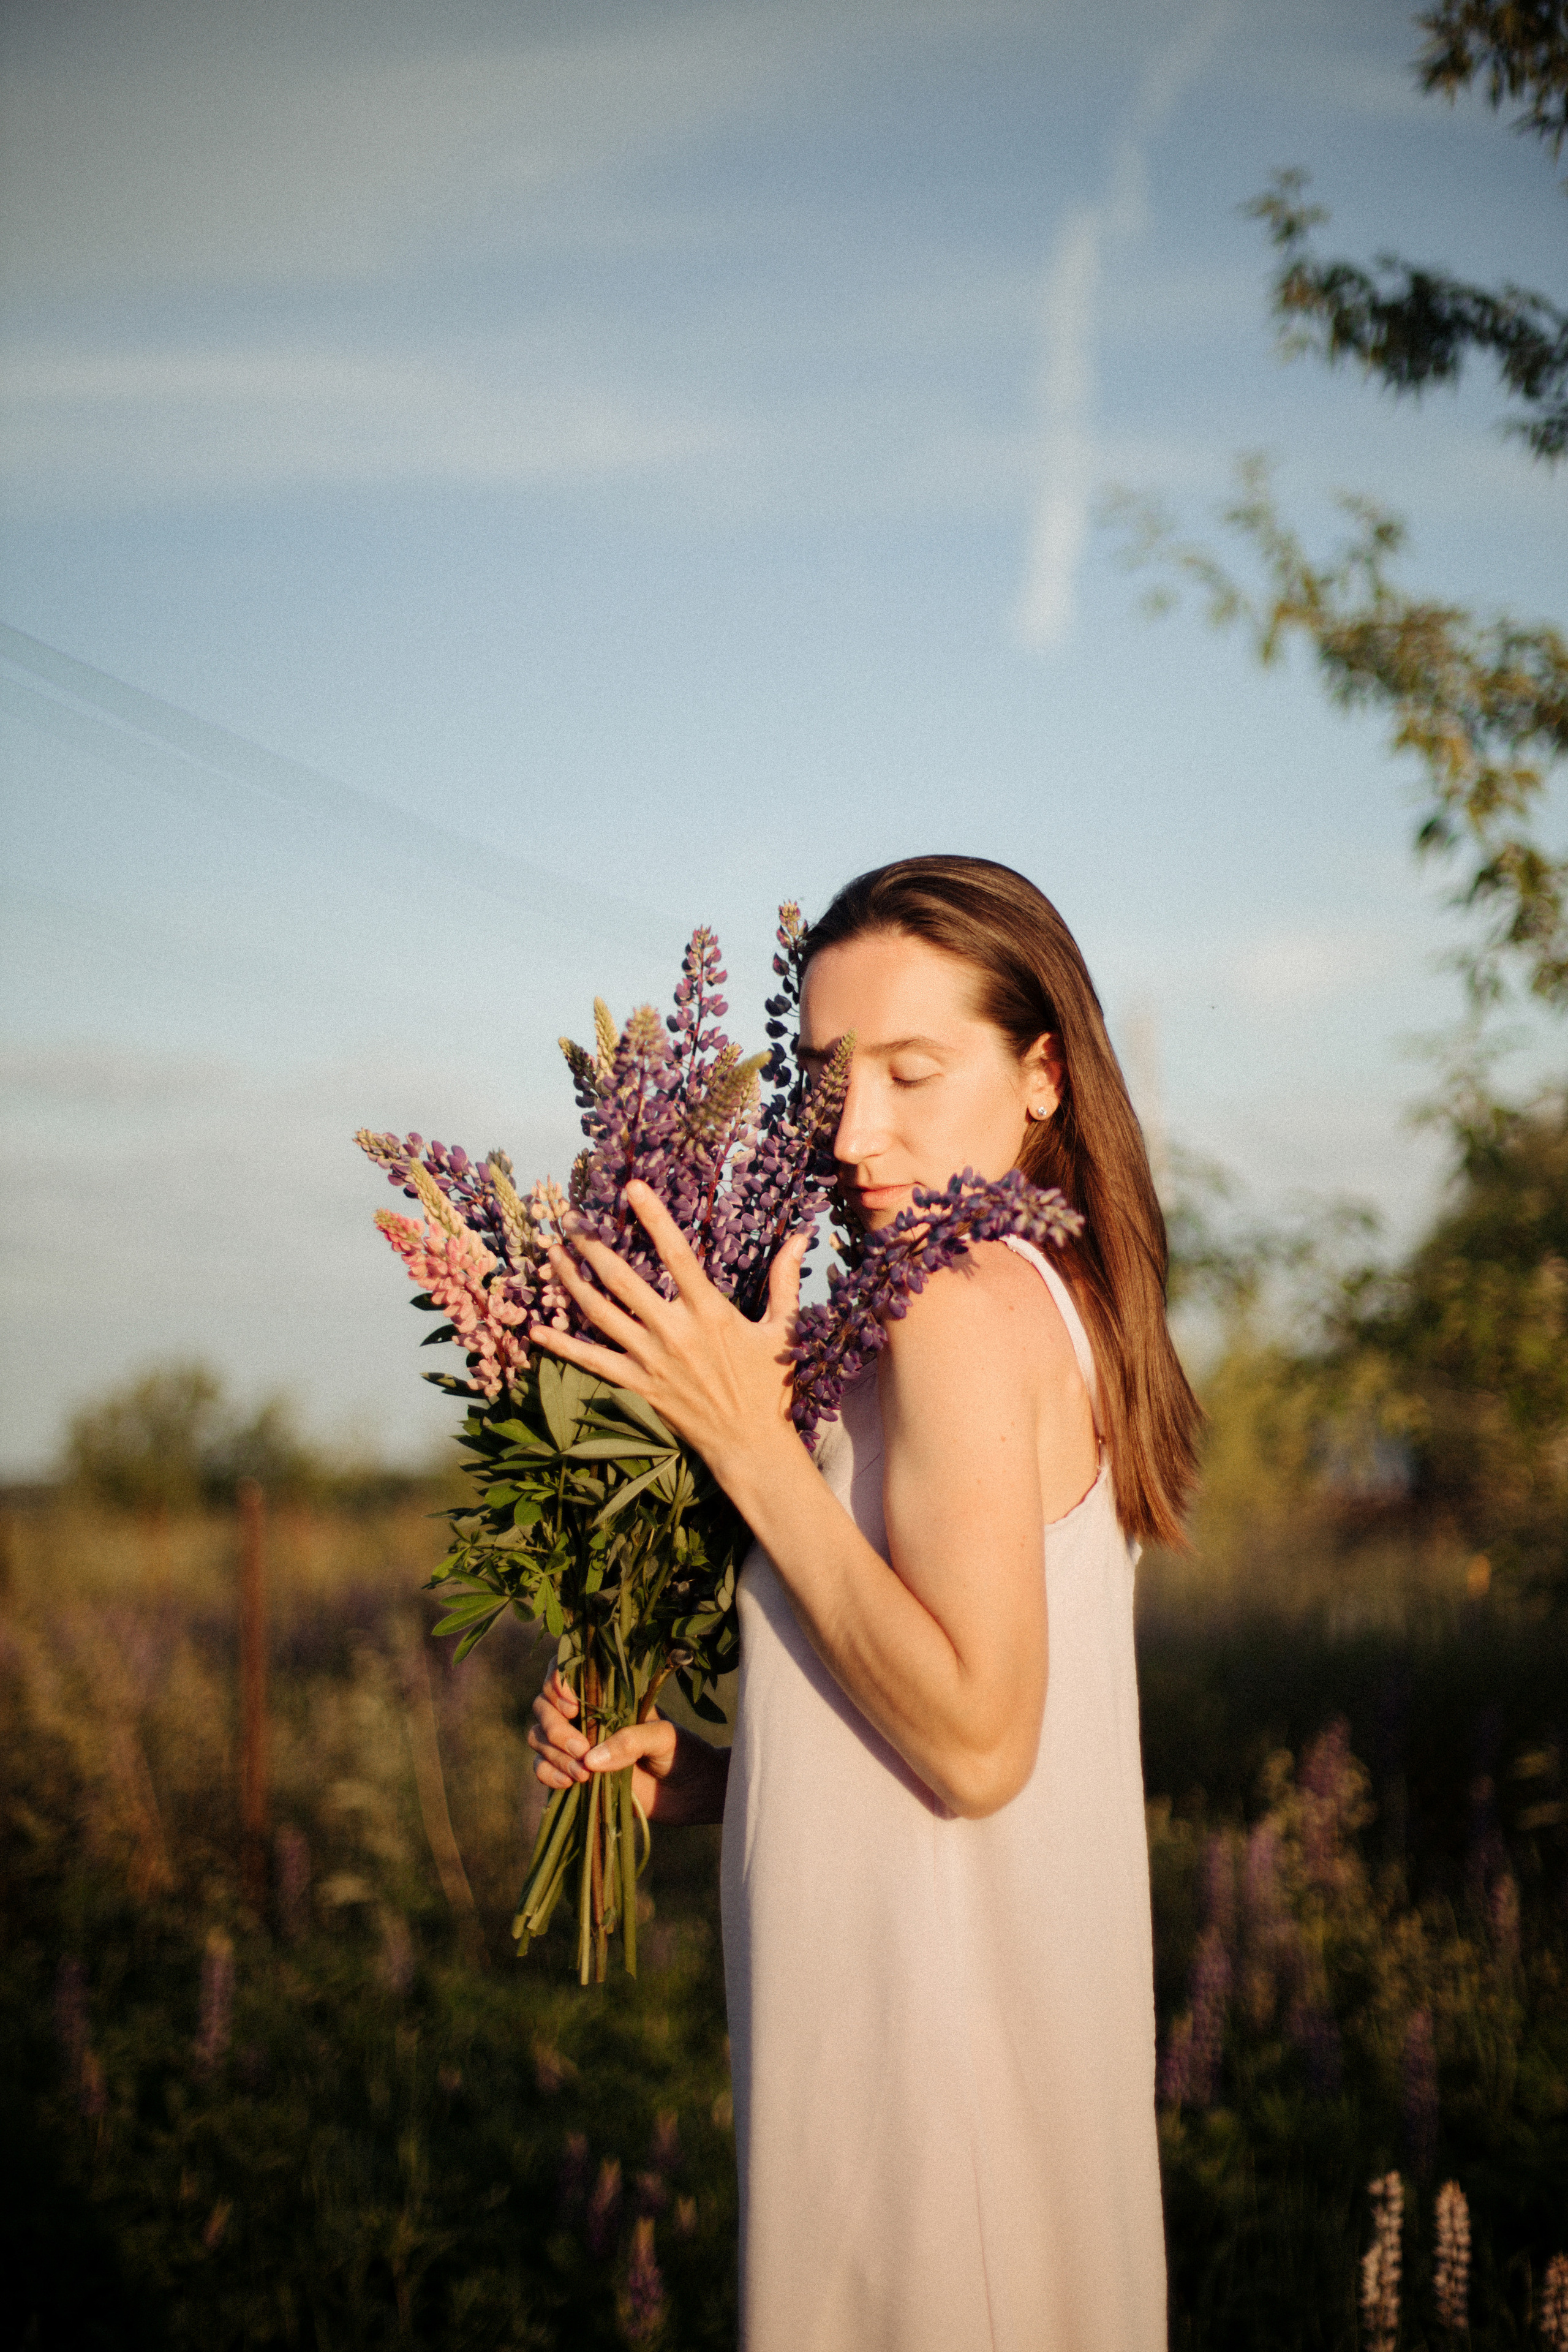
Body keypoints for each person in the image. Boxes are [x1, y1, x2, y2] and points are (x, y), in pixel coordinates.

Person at [527, 855, 1199, 2351]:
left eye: (912, 1069)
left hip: (929, 2056)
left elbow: (974, 1741)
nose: (852, 1129)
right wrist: (714, 1770)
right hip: (962, 2018)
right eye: (829, 1072)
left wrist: (745, 1444)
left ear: (1041, 1077)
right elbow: (925, 1686)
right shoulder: (1025, 1297)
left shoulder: (958, 1309)